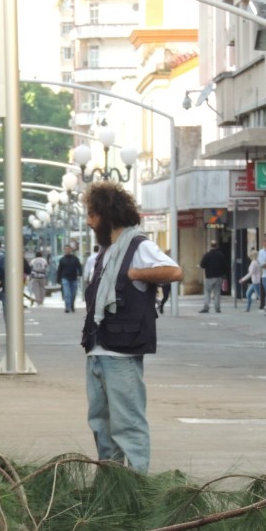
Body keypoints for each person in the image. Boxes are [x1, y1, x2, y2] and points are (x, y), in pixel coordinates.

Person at [80, 181, 183, 473]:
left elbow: (174, 271)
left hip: (121, 353)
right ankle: (111, 486)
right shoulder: (103, 253)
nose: (88, 221)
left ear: (107, 214)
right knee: (100, 424)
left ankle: (136, 489)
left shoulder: (138, 246)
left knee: (128, 424)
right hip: (97, 348)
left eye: (92, 214)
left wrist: (135, 273)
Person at [198, 239, 227, 313]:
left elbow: (202, 265)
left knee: (207, 292)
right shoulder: (221, 255)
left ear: (210, 246)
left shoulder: (207, 255)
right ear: (217, 246)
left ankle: (206, 307)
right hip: (219, 277)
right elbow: (225, 266)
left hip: (209, 277)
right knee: (217, 293)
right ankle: (217, 308)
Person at [56, 244, 82, 313]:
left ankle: (72, 305)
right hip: (65, 278)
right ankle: (67, 307)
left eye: (69, 249)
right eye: (66, 249)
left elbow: (79, 266)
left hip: (74, 278)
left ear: (71, 250)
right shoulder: (62, 260)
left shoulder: (75, 259)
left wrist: (80, 273)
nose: (67, 250)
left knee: (73, 293)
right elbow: (59, 270)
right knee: (67, 293)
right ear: (64, 250)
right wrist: (58, 279)